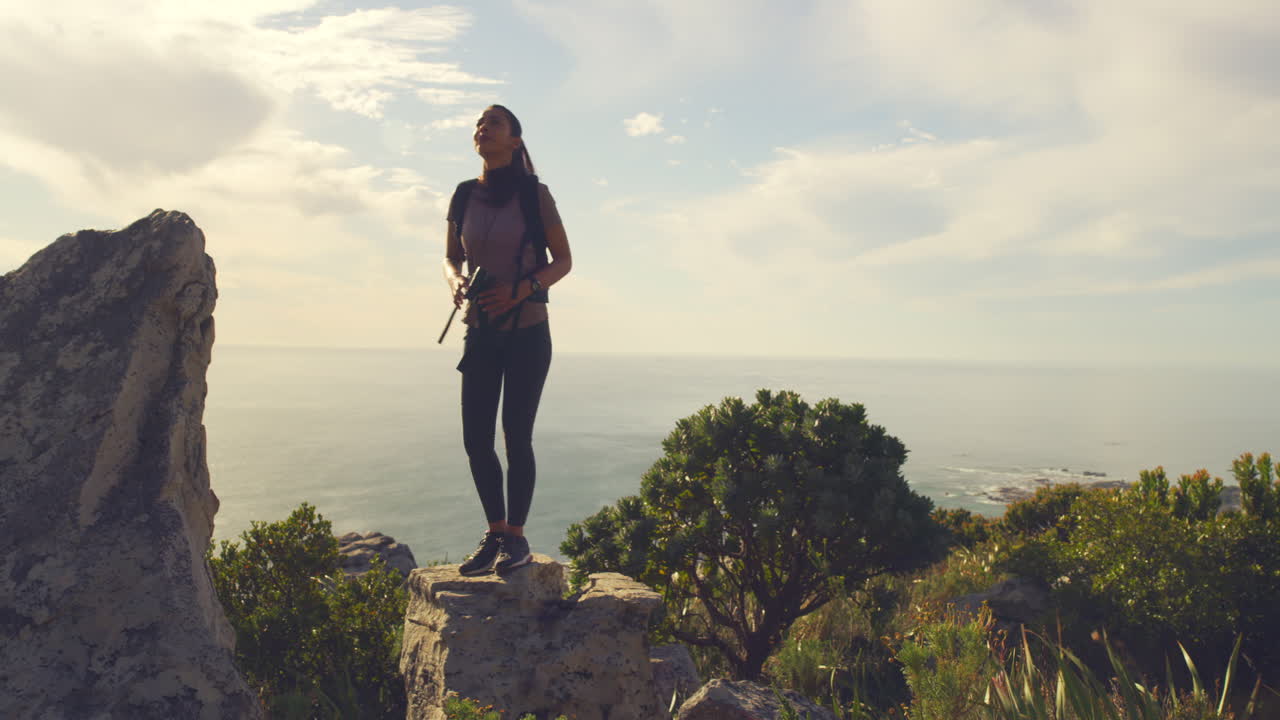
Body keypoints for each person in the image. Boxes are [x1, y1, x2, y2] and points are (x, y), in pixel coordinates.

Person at [443, 105, 572, 575]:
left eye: (494, 123)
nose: (483, 128)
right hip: (479, 332)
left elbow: (563, 261)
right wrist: (455, 283)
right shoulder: (462, 196)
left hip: (527, 332)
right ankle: (494, 533)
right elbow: (450, 258)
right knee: (475, 438)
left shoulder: (534, 195)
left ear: (515, 141)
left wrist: (522, 289)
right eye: (479, 123)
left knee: (516, 436)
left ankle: (515, 539)